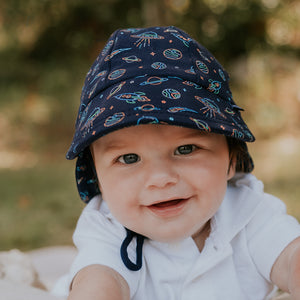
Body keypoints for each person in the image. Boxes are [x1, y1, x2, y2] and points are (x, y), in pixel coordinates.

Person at [56, 26, 300, 299]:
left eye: (185, 149)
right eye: (128, 158)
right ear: (97, 175)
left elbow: (291, 256)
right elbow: (100, 280)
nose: (161, 178)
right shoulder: (106, 228)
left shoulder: (250, 212)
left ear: (232, 158)